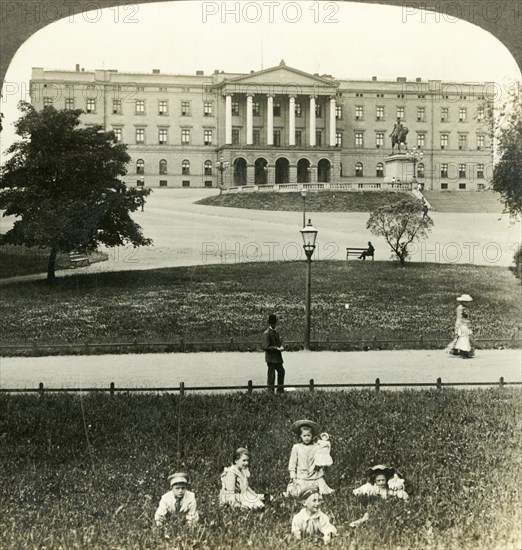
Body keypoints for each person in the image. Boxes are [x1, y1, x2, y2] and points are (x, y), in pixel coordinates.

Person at [286, 419, 334, 497]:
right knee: (296, 492)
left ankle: (315, 491)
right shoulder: (296, 447)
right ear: (300, 436)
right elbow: (292, 463)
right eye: (304, 436)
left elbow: (321, 458)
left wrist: (320, 464)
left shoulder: (316, 447)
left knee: (322, 491)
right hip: (301, 477)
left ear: (312, 436)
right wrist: (293, 476)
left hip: (314, 476)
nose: (307, 438)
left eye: (309, 435)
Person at [262, 313, 285, 393]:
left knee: (281, 371)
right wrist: (277, 348)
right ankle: (270, 392)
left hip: (277, 357)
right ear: (269, 323)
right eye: (272, 323)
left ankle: (280, 390)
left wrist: (281, 346)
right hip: (271, 358)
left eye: (274, 322)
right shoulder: (266, 333)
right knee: (271, 375)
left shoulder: (276, 332)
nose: (273, 324)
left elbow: (278, 343)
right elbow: (266, 347)